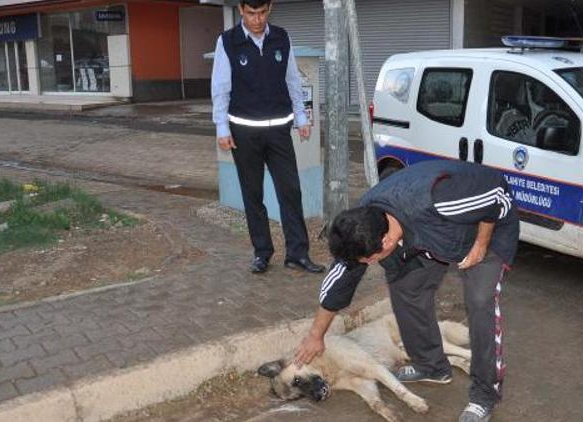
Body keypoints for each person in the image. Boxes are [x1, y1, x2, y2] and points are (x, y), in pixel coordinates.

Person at [294, 160, 520, 422]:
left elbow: (496, 194)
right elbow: (339, 282)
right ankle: (431, 366)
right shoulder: (363, 224)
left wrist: (482, 243)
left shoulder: (438, 200)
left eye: (369, 259)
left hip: (485, 228)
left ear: (387, 240)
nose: (367, 265)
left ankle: (484, 394)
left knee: (480, 300)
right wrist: (315, 335)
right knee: (405, 285)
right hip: (430, 236)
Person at [211, 0, 324, 274]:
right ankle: (262, 252)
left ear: (270, 8)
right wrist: (222, 128)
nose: (257, 19)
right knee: (253, 194)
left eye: (262, 12)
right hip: (244, 132)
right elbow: (220, 87)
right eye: (251, 13)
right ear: (240, 10)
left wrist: (301, 118)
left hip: (278, 132)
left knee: (291, 191)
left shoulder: (281, 38)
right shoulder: (228, 42)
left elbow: (292, 81)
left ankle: (297, 254)